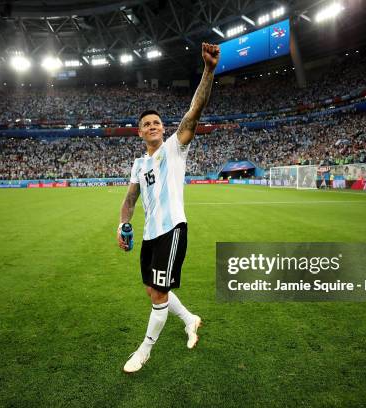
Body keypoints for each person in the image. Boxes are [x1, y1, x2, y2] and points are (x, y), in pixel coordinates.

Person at [117, 42, 220, 374]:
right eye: (146, 124)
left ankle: (144, 350)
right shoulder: (137, 164)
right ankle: (190, 319)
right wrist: (122, 224)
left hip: (172, 228)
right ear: (139, 132)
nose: (152, 126)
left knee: (159, 292)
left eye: (157, 123)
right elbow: (130, 200)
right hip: (149, 235)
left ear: (163, 128)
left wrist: (208, 70)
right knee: (153, 289)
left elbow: (194, 112)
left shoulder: (175, 148)